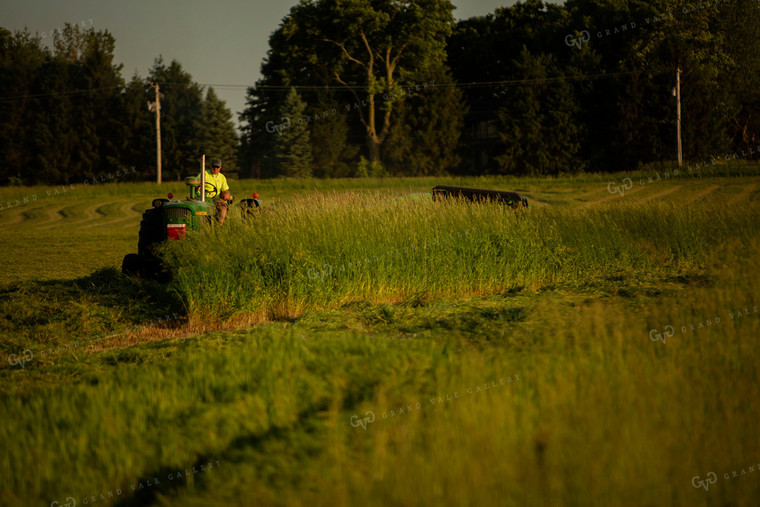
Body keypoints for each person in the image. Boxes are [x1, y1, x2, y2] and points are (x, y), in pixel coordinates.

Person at [197, 158, 233, 224]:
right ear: (210, 166)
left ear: (220, 168)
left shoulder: (222, 177)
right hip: (202, 198)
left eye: (217, 167)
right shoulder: (203, 174)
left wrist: (227, 194)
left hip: (215, 199)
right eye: (214, 167)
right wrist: (198, 186)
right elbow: (196, 185)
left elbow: (225, 190)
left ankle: (219, 226)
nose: (215, 169)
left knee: (223, 207)